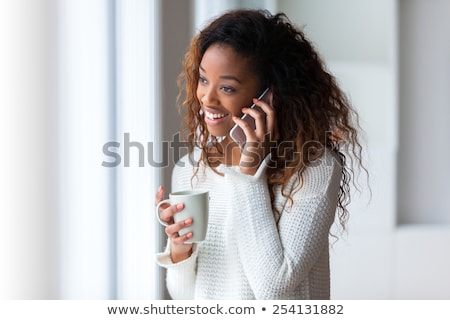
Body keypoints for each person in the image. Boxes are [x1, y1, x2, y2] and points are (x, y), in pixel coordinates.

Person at [155, 9, 365, 300]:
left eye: (227, 87)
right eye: (203, 80)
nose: (207, 98)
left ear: (271, 95)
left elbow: (274, 288)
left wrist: (250, 172)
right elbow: (185, 296)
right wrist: (180, 249)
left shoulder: (313, 169)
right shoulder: (191, 169)